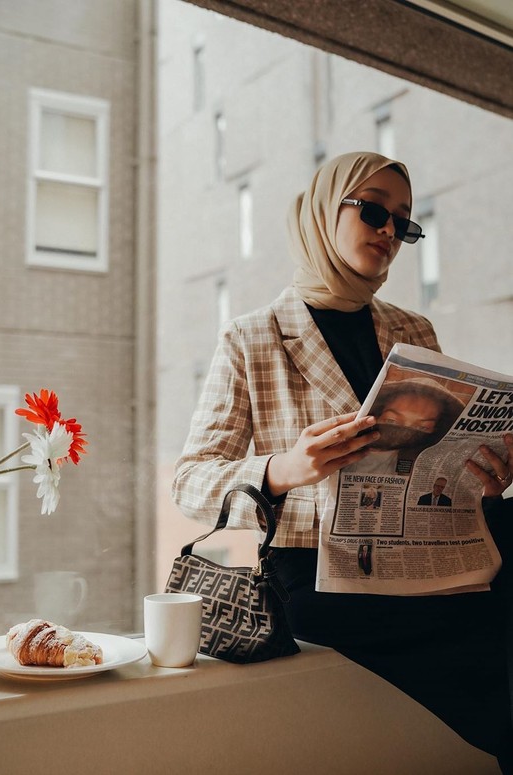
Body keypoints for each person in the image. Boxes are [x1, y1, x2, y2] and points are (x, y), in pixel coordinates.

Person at [172, 151, 513, 772]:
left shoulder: (413, 329)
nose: (390, 232)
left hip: (421, 544)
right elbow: (191, 480)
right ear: (323, 214)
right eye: (376, 211)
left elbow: (438, 457)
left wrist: (485, 479)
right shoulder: (252, 335)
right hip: (317, 571)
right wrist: (285, 468)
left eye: (404, 224)